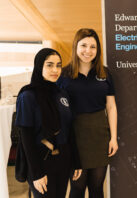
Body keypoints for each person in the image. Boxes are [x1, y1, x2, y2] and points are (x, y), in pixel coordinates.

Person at [57, 28, 118, 198]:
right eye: (83, 45)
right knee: (77, 187)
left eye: (93, 47)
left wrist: (113, 137)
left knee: (97, 187)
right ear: (75, 46)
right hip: (74, 136)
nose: (88, 51)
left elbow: (111, 107)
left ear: (97, 50)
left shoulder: (105, 73)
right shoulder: (63, 75)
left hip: (99, 134)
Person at [15, 48, 81, 198]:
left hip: (63, 159)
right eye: (49, 65)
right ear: (39, 66)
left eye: (58, 65)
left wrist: (77, 162)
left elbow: (69, 129)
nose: (55, 70)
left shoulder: (62, 93)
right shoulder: (28, 96)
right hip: (41, 160)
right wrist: (37, 173)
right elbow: (26, 137)